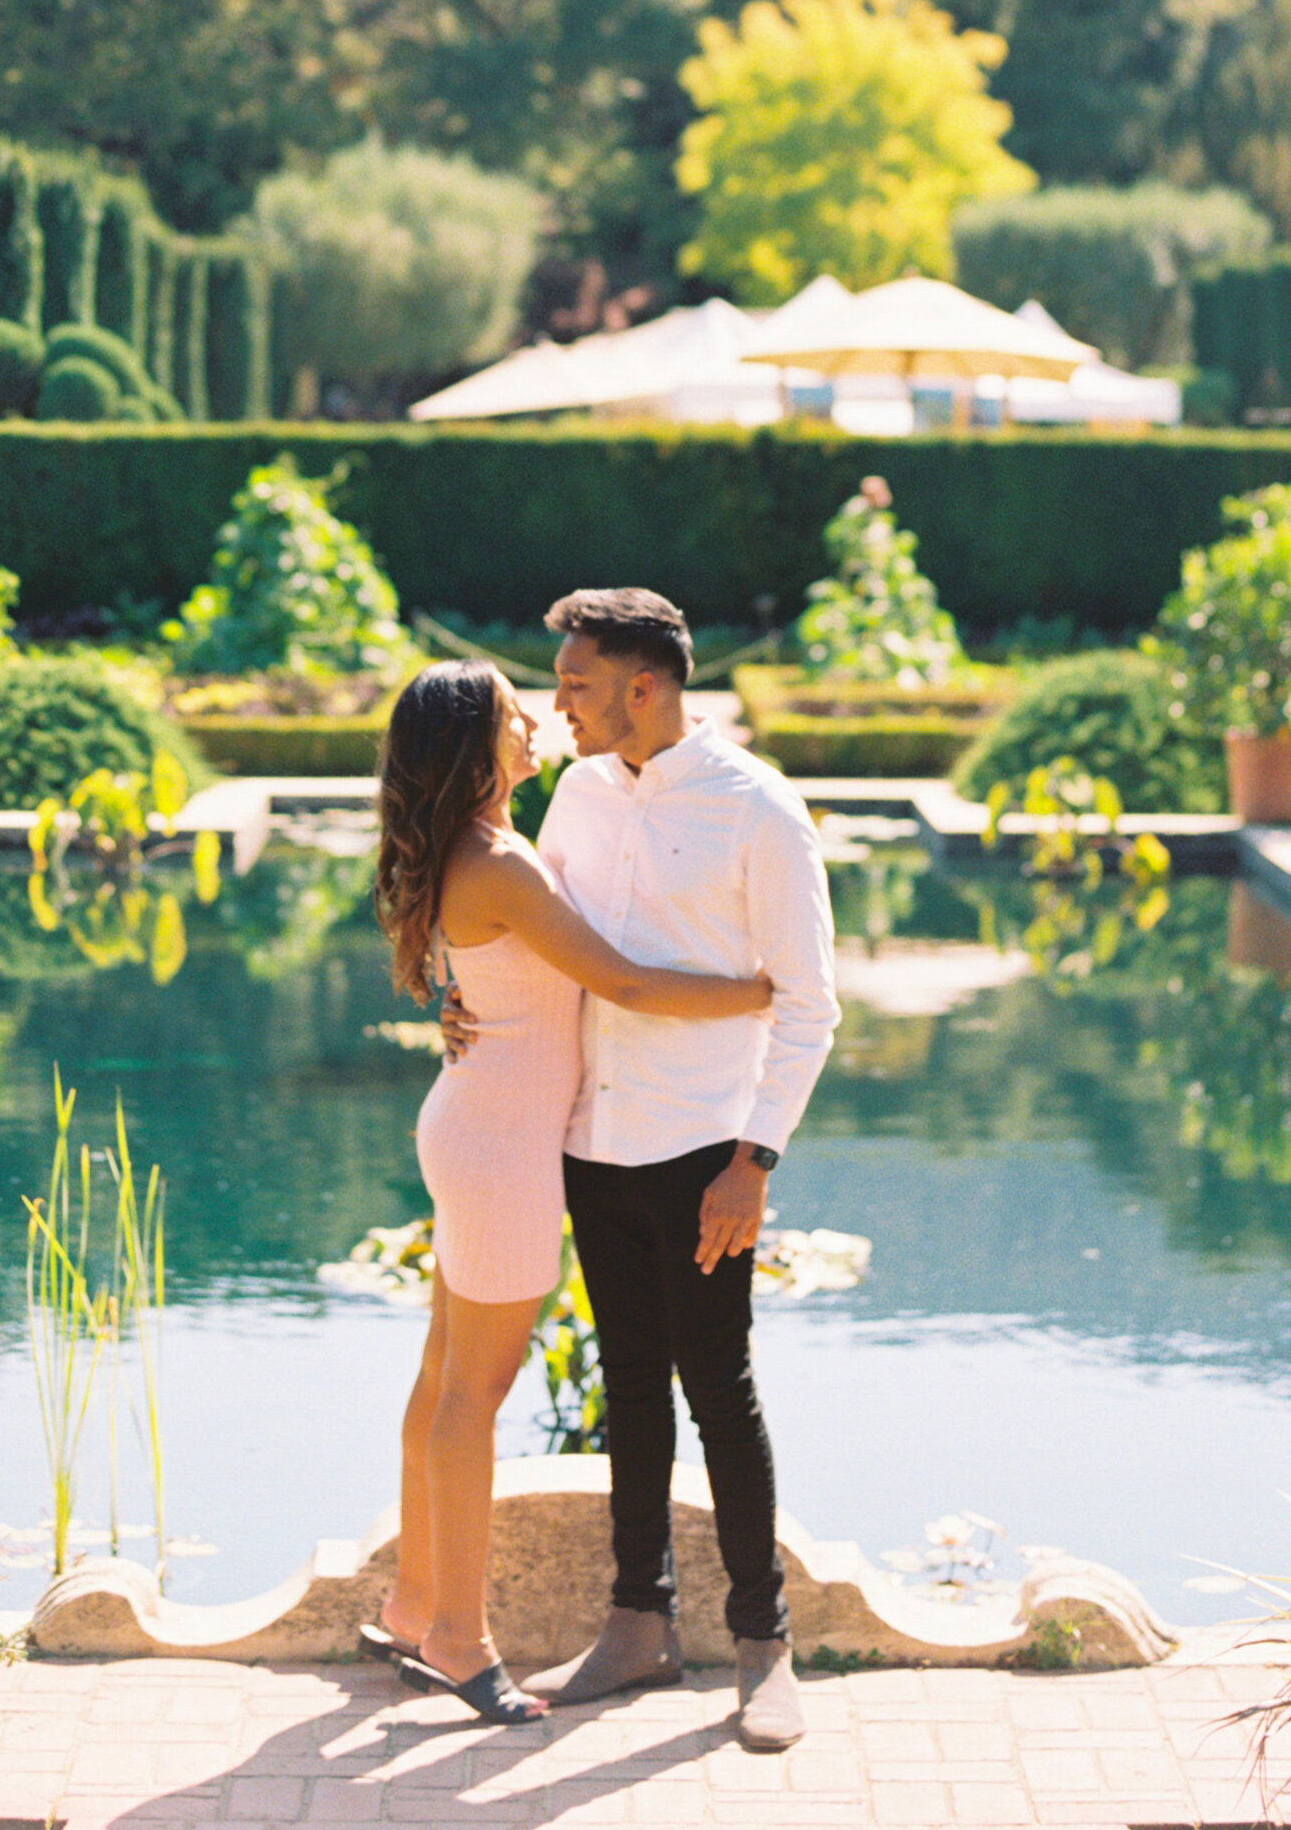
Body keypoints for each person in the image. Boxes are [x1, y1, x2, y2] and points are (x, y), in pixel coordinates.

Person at [368, 657, 776, 1729]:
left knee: (440, 1379)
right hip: (500, 1153)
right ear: (474, 748)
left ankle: (412, 1603)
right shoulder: (497, 863)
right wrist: (753, 992)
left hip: (471, 1125)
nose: (537, 719)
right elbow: (626, 981)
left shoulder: (476, 852)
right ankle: (458, 1638)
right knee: (471, 1397)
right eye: (512, 712)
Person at [524, 585, 838, 1754]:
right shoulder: (576, 794)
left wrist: (752, 1160)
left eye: (575, 684)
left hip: (705, 1146)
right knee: (628, 1382)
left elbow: (808, 1006)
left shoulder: (758, 809)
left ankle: (763, 1644)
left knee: (719, 1388)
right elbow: (552, 948)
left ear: (642, 688)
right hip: (590, 1143)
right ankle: (637, 1624)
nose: (557, 703)